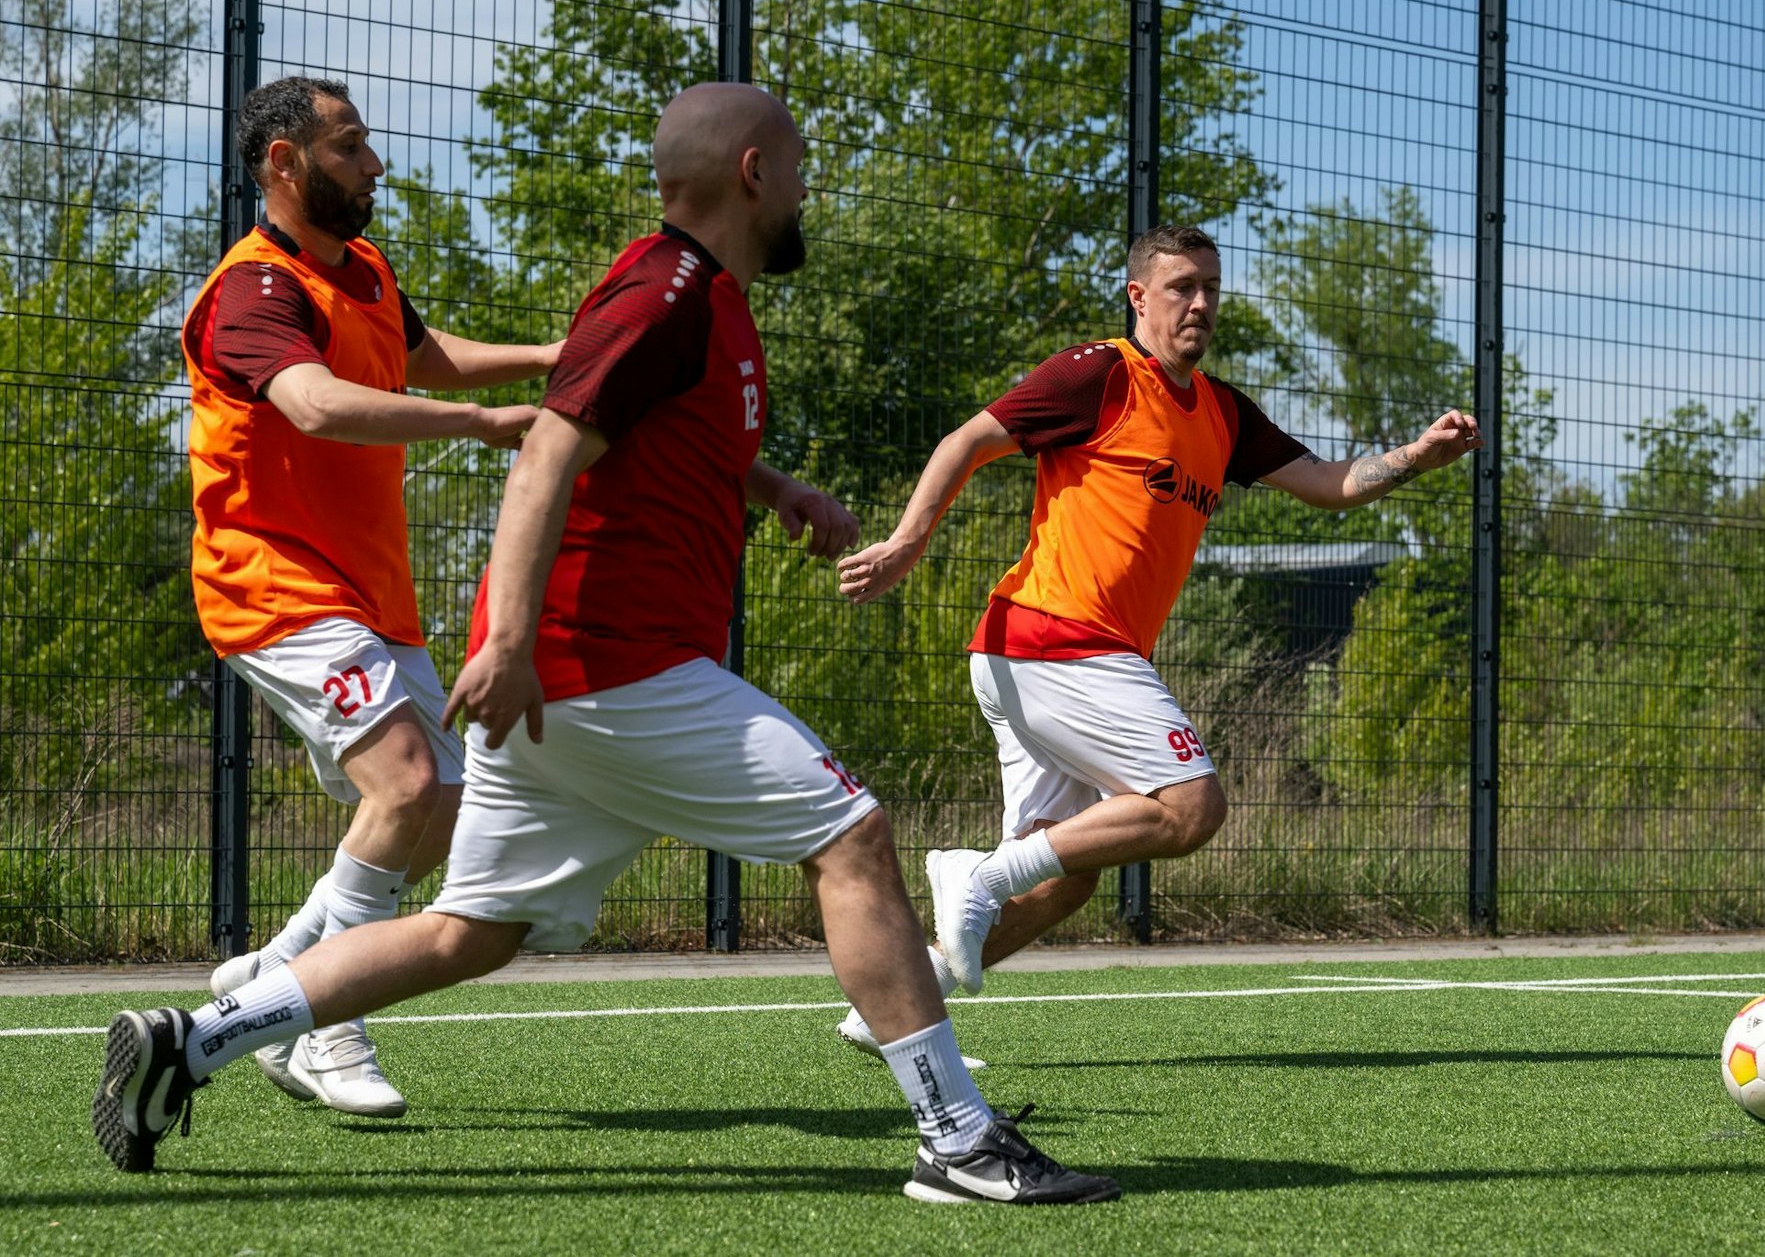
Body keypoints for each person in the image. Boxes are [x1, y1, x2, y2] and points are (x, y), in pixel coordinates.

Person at [94, 83, 1120, 1206]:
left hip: (579, 675)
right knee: (855, 837)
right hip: (602, 665)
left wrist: (773, 489)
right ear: (750, 172)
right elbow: (539, 456)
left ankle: (188, 1041)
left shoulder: (701, 302)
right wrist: (517, 640)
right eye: (798, 165)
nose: (806, 187)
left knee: (466, 933)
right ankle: (959, 1138)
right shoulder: (665, 291)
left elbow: (644, 437)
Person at [830, 223, 1480, 1055]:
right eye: (1182, 287)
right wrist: (909, 540)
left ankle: (890, 1012)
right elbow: (969, 439)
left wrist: (1417, 457)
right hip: (1053, 636)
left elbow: (1327, 485)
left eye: (1211, 286)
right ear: (1139, 296)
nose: (1201, 303)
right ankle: (979, 876)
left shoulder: (1222, 413)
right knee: (1190, 806)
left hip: (1043, 655)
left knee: (1067, 881)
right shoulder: (1098, 373)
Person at [181, 76, 559, 1117]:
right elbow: (313, 404)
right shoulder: (252, 291)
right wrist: (483, 426)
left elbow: (420, 356)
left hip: (371, 595)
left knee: (447, 801)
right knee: (401, 783)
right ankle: (319, 1020)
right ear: (283, 164)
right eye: (350, 148)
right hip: (276, 585)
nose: (375, 165)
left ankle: (284, 969)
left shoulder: (369, 273)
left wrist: (549, 361)